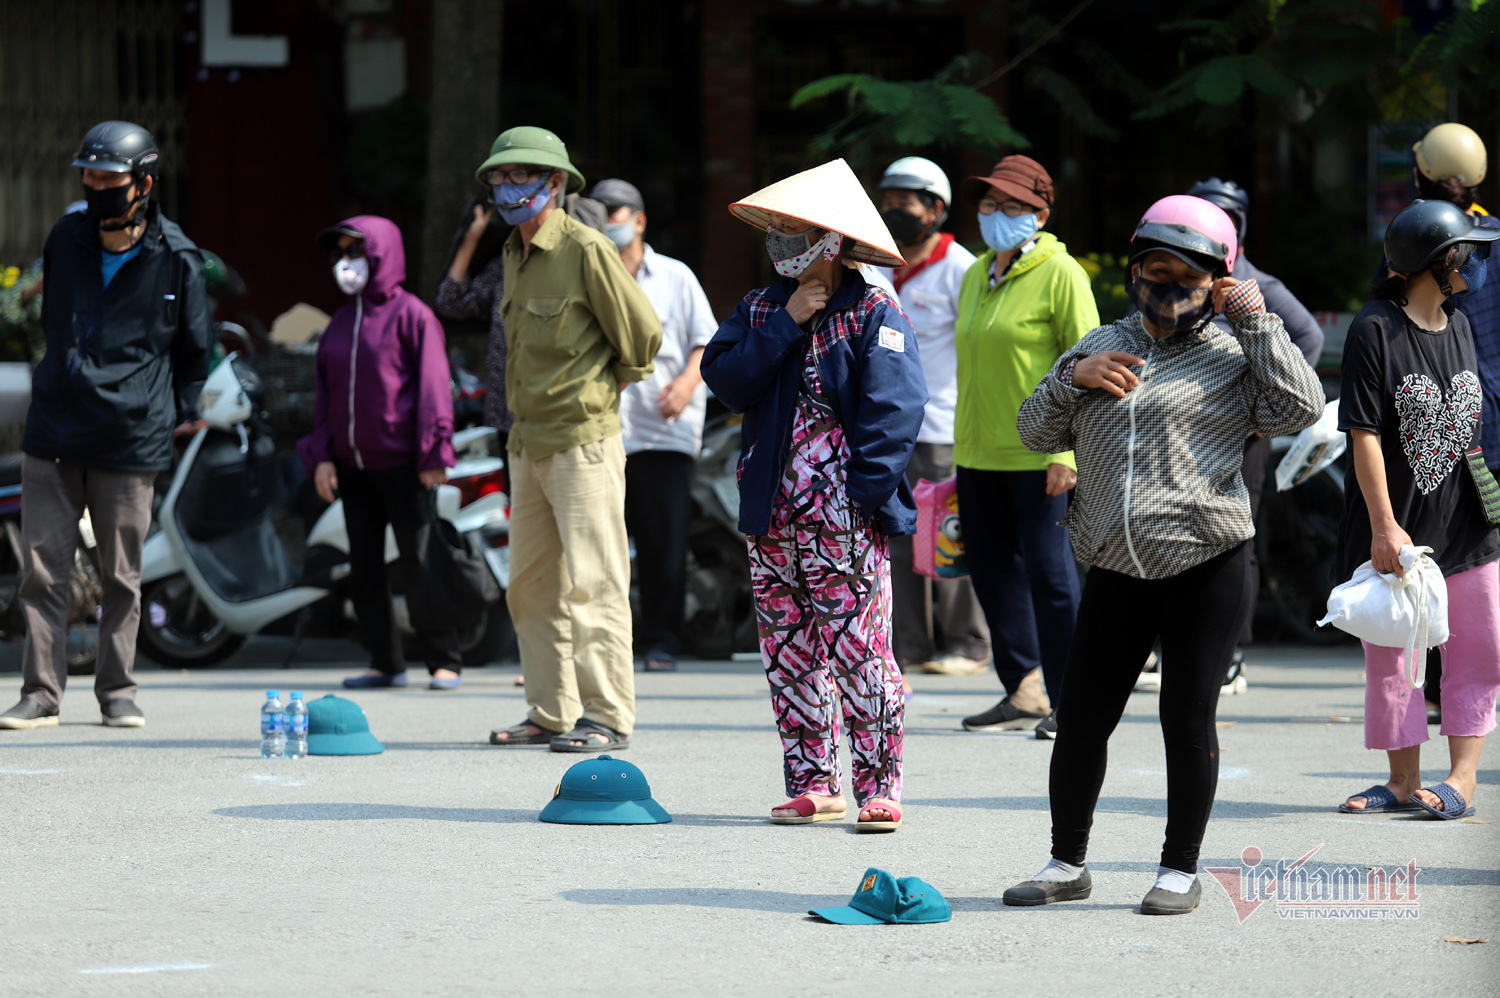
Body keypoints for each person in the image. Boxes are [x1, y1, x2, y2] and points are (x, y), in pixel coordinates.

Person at [1004, 195, 1323, 914]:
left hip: (1206, 561)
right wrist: (1070, 379)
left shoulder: (1236, 353)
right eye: (1157, 271)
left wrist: (1256, 320)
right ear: (1134, 272)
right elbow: (1031, 432)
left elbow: (1302, 408)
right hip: (1115, 567)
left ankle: (1180, 870)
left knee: (1185, 718)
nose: (1170, 287)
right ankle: (1066, 863)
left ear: (1219, 281)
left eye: (1189, 276)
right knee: (1081, 718)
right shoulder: (1099, 343)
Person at [701, 158, 926, 831]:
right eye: (775, 229)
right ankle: (814, 783)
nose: (779, 242)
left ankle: (879, 785)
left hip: (844, 517)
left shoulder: (875, 310)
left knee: (860, 650)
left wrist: (859, 497)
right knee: (789, 652)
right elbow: (725, 378)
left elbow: (895, 413)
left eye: (794, 230)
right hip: (770, 514)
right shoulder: (761, 307)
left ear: (831, 239)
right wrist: (788, 322)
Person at [0, 122, 210, 731]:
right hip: (54, 434)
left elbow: (194, 355)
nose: (95, 186)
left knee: (121, 576)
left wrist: (162, 416)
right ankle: (40, 695)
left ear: (142, 183)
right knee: (43, 572)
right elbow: (53, 324)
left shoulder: (177, 259)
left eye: (108, 177)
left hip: (129, 441)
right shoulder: (66, 239)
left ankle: (117, 691)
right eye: (88, 176)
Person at [478, 127, 662, 754]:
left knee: (594, 583)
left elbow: (642, 334)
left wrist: (602, 388)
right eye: (499, 177)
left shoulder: (585, 247)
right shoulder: (513, 252)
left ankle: (606, 714)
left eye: (520, 176)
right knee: (529, 587)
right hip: (526, 442)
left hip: (582, 441)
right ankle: (551, 710)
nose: (507, 187)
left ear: (555, 184)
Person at [1336, 199, 1500, 820]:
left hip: (1468, 520)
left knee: (1479, 648)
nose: (1477, 262)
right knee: (1393, 656)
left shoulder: (1460, 324)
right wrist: (1384, 525)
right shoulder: (1374, 328)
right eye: (1468, 252)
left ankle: (1462, 779)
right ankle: (1402, 780)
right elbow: (1364, 434)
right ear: (1439, 261)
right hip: (1398, 526)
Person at [951, 156, 1100, 738]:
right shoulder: (975, 273)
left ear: (1041, 214)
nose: (997, 214)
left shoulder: (1062, 273)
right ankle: (1024, 689)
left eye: (1012, 206)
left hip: (1041, 455)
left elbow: (1092, 364)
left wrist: (1068, 452)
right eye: (989, 204)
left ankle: (1075, 700)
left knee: (1052, 577)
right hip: (976, 453)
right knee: (991, 575)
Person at [298, 217, 461, 691]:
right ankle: (385, 661)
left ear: (382, 254)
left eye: (356, 251)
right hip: (353, 467)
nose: (346, 262)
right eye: (340, 253)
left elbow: (434, 387)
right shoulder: (339, 324)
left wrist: (434, 452)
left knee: (420, 563)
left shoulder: (413, 315)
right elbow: (325, 397)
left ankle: (444, 659)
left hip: (405, 464)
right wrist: (322, 457)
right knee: (365, 568)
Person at [1182, 177, 1324, 693]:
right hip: (1184, 434)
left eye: (1227, 217)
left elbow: (1309, 336)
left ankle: (1231, 652)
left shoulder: (1256, 283)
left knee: (1235, 540)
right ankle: (1181, 643)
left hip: (1244, 436)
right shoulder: (1180, 275)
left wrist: (1269, 410)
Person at [872, 157, 992, 679]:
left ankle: (967, 643)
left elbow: (980, 347)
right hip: (886, 429)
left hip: (943, 426)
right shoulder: (876, 264)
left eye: (905, 201)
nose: (892, 210)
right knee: (897, 539)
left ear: (936, 209)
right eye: (887, 201)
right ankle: (909, 645)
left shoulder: (960, 268)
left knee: (947, 533)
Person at [592, 178, 718, 673]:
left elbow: (707, 341)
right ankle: (606, 643)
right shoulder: (590, 273)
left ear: (639, 220)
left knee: (663, 542)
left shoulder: (675, 276)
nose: (606, 222)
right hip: (602, 430)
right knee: (600, 545)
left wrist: (686, 384)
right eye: (598, 213)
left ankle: (662, 640)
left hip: (663, 431)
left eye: (614, 213)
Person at [435, 195, 514, 443]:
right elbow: (450, 303)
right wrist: (471, 239)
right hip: (506, 413)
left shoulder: (567, 262)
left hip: (552, 416)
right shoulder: (504, 266)